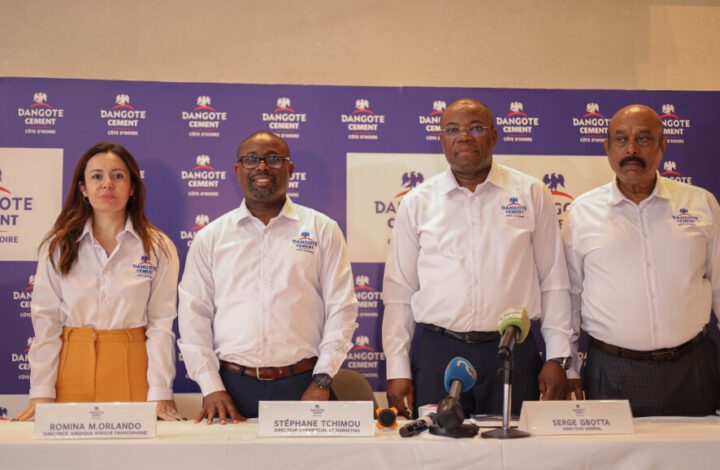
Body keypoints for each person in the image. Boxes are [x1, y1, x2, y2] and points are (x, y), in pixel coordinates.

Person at [382, 98, 573, 419]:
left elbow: (554, 281)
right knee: (437, 446)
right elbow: (399, 292)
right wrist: (397, 367)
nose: (464, 137)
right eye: (452, 130)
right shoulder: (417, 202)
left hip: (512, 351)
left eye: (476, 128)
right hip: (438, 352)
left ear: (494, 136)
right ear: (441, 139)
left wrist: (557, 357)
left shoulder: (531, 193)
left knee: (514, 445)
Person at [562, 104, 720, 416]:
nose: (631, 149)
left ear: (662, 146)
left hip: (692, 368)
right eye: (621, 139)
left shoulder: (700, 203)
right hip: (612, 371)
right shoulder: (581, 213)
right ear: (607, 147)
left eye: (643, 139)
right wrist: (569, 366)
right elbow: (569, 296)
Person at [178, 131, 358, 424]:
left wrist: (322, 379)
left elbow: (342, 308)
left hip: (307, 385)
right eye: (251, 159)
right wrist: (211, 388)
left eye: (273, 159)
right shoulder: (211, 237)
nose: (262, 167)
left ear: (290, 169)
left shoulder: (322, 229)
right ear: (238, 170)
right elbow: (193, 316)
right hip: (230, 391)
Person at [14, 142, 182, 421]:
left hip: (132, 368)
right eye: (96, 176)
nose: (107, 184)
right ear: (83, 189)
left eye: (118, 176)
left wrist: (161, 392)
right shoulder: (58, 245)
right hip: (70, 371)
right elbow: (46, 321)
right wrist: (41, 391)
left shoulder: (158, 247)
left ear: (132, 188)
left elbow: (161, 325)